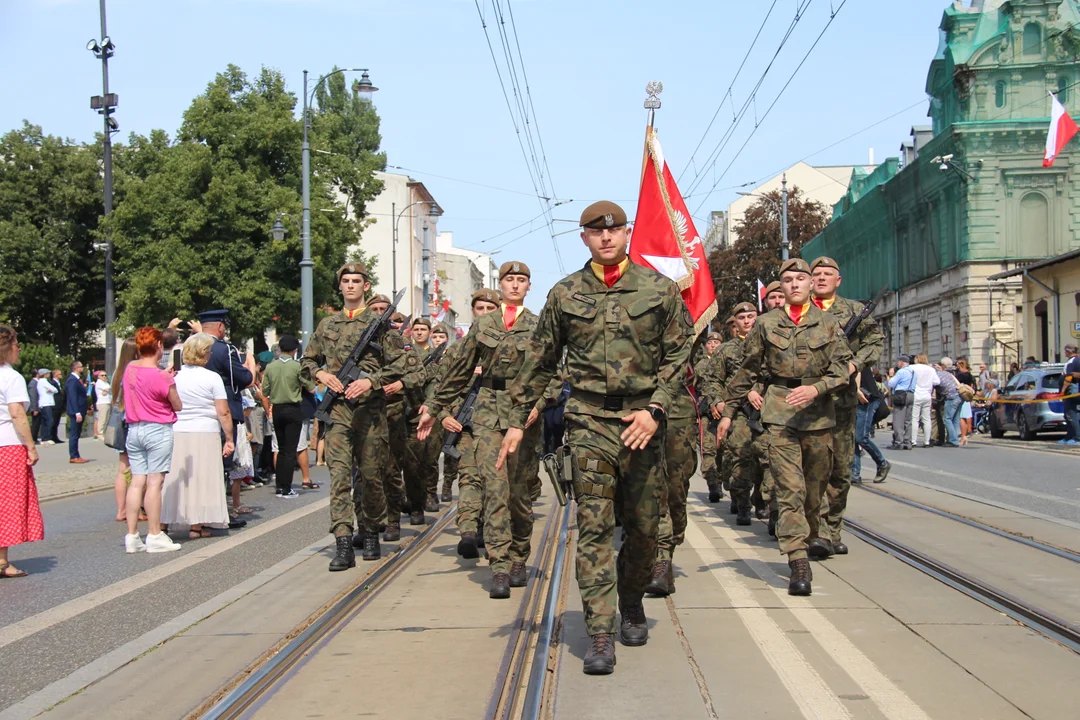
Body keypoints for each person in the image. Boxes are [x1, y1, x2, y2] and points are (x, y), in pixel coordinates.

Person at [497, 201, 695, 675]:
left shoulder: (659, 289)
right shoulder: (565, 294)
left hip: (643, 424)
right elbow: (540, 360)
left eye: (614, 231)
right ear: (583, 238)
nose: (606, 238)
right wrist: (514, 418)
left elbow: (678, 355)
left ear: (627, 234)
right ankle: (601, 631)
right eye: (595, 232)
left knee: (646, 529)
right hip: (587, 421)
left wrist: (655, 409)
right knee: (593, 527)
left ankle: (630, 603)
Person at [719, 258, 853, 596]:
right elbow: (747, 371)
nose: (795, 284)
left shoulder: (829, 323)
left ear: (810, 285)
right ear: (780, 287)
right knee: (789, 489)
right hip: (779, 412)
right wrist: (727, 413)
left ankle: (811, 534)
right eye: (788, 280)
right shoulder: (765, 324)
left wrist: (816, 388)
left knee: (813, 490)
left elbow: (842, 369)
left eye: (801, 279)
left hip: (818, 413)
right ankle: (798, 560)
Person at [420, 261, 546, 599]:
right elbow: (460, 370)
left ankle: (520, 555)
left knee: (519, 494)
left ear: (528, 286)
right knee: (494, 489)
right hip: (489, 412)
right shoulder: (484, 324)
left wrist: (538, 405)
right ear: (501, 284)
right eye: (510, 280)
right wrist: (435, 407)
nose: (515, 285)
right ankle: (500, 565)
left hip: (524, 413)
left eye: (522, 280)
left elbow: (553, 373)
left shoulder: (539, 325)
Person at [301, 262, 408, 570]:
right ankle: (343, 543)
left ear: (366, 286)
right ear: (340, 286)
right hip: (337, 413)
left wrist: (371, 381)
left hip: (371, 412)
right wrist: (322, 374)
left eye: (356, 281)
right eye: (345, 280)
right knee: (339, 479)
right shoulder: (327, 325)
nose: (350, 285)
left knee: (372, 477)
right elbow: (307, 362)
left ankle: (371, 531)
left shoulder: (380, 324)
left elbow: (402, 365)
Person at [808, 257, 884, 557]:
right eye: (817, 274)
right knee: (814, 469)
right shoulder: (801, 312)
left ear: (838, 280)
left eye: (829, 274)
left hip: (841, 400)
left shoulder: (853, 311)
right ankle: (818, 531)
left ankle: (833, 528)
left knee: (840, 468)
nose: (822, 278)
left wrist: (854, 364)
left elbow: (875, 341)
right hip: (809, 401)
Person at [161, 333, 235, 538]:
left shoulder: (173, 375)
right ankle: (196, 524)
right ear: (203, 354)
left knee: (174, 477)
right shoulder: (212, 377)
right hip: (205, 430)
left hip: (177, 429)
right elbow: (223, 411)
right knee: (201, 477)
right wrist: (229, 438)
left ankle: (163, 522)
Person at [122, 327, 183, 553]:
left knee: (137, 481)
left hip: (134, 429)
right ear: (159, 346)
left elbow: (144, 378)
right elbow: (177, 405)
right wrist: (168, 378)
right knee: (155, 483)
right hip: (157, 429)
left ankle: (132, 535)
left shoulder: (130, 369)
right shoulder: (162, 377)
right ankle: (155, 533)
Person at [199, 310, 255, 529]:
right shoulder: (223, 349)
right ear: (220, 327)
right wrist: (249, 371)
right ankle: (220, 512)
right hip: (222, 409)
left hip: (195, 412)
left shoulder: (187, 347)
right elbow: (241, 378)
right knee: (222, 463)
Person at [0, 326, 44, 578]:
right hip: (7, 444)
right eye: (17, 345)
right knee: (6, 503)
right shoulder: (11, 377)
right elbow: (17, 413)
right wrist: (30, 445)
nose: (19, 349)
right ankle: (2, 561)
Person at [263, 335, 313, 498]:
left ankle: (279, 486)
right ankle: (287, 487)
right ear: (294, 350)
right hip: (293, 408)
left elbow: (265, 391)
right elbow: (310, 387)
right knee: (291, 450)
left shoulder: (271, 367)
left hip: (277, 408)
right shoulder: (297, 366)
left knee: (281, 448)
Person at [112, 339, 142, 523]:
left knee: (123, 468)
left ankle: (121, 509)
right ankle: (135, 510)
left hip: (118, 422)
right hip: (129, 422)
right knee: (136, 469)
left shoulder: (118, 372)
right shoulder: (133, 372)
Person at [695, 331, 724, 503]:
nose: (713, 345)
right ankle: (713, 484)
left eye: (716, 342)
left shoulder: (726, 361)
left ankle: (724, 481)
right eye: (710, 342)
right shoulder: (700, 365)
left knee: (726, 451)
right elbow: (695, 389)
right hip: (706, 413)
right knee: (708, 450)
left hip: (725, 411)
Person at [853, 366, 890, 483]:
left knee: (860, 437)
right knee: (853, 438)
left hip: (866, 398)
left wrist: (857, 389)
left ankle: (882, 463)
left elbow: (856, 368)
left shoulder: (853, 352)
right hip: (857, 398)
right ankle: (854, 473)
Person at [910, 354, 939, 448]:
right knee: (926, 419)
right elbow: (937, 382)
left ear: (918, 359)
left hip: (916, 394)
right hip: (927, 395)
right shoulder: (931, 369)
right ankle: (927, 441)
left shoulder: (912, 368)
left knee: (915, 418)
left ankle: (913, 441)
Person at [887, 356, 915, 449]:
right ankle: (908, 442)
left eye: (898, 362)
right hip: (911, 394)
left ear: (902, 362)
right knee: (908, 420)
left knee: (898, 419)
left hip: (901, 394)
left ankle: (899, 442)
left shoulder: (901, 371)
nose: (897, 364)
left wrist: (891, 376)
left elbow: (891, 383)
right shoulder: (913, 372)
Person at [64, 361, 90, 463]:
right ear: (76, 368)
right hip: (76, 411)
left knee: (77, 434)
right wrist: (77, 412)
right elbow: (72, 397)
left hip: (80, 409)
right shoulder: (72, 380)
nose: (82, 369)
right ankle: (73, 456)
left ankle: (76, 454)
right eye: (81, 367)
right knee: (74, 434)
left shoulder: (77, 380)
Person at [936, 358, 962, 447]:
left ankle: (953, 440)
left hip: (951, 398)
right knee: (955, 419)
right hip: (959, 396)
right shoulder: (948, 373)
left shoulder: (937, 375)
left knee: (947, 419)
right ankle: (954, 439)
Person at [1061, 345, 1080, 444]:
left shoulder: (1072, 361)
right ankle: (1069, 436)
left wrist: (1063, 391)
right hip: (1070, 391)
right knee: (1069, 415)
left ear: (1068, 351)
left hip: (1070, 391)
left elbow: (1069, 377)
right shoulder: (1074, 360)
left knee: (1071, 414)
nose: (1064, 353)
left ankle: (1077, 437)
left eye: (1065, 351)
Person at [955, 358, 975, 446]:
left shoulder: (960, 375)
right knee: (967, 416)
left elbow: (957, 384)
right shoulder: (969, 375)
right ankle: (966, 435)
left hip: (962, 395)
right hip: (968, 395)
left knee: (962, 417)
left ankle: (963, 436)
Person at [36, 369, 57, 445]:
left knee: (45, 421)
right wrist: (51, 390)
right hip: (46, 403)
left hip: (43, 403)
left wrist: (50, 390)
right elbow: (55, 389)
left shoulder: (40, 382)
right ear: (45, 374)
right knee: (49, 421)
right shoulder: (44, 381)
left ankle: (44, 437)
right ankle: (47, 437)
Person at [94, 371, 112, 440]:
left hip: (107, 402)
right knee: (102, 419)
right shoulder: (99, 382)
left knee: (107, 419)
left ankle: (104, 432)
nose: (104, 376)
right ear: (98, 376)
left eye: (105, 375)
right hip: (102, 403)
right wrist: (106, 390)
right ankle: (100, 433)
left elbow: (109, 390)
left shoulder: (105, 382)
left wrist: (106, 391)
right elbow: (108, 389)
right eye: (102, 375)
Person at [49, 369, 65, 444]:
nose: (61, 375)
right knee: (54, 421)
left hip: (59, 405)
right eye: (59, 374)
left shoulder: (59, 383)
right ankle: (51, 436)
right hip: (55, 405)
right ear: (55, 375)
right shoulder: (52, 383)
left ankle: (55, 436)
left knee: (57, 422)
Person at [26, 370, 41, 445]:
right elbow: (33, 397)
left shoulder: (37, 383)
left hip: (38, 406)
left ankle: (35, 438)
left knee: (37, 423)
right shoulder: (33, 383)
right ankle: (33, 438)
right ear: (37, 374)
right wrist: (35, 408)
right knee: (35, 423)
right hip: (35, 407)